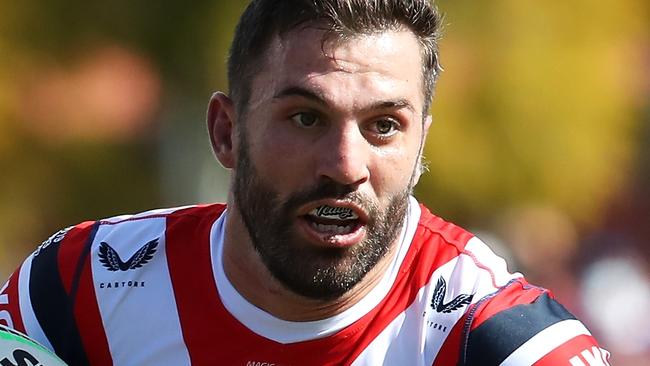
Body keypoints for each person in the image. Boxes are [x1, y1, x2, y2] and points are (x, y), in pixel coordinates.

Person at [0, 0, 610, 365]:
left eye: (384, 126)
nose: (345, 165)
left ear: (421, 143)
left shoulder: (502, 340)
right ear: (225, 132)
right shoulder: (79, 292)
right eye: (305, 117)